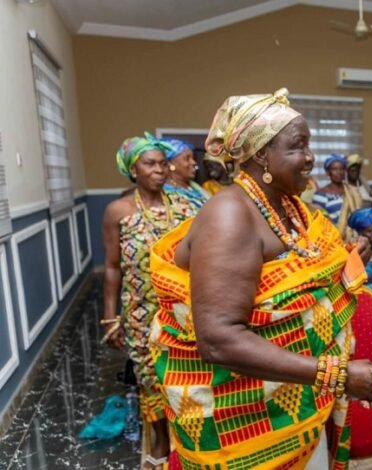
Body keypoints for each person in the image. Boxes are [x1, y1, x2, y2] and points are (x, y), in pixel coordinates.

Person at [148, 89, 372, 469]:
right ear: (262, 154)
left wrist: (347, 263)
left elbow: (303, 277)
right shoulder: (229, 216)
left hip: (294, 405)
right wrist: (337, 374)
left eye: (309, 145)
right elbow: (219, 340)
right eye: (299, 146)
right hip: (240, 422)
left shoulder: (289, 207)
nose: (311, 157)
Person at [101, 134, 196, 469]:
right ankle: (158, 440)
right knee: (150, 377)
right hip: (141, 311)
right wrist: (110, 317)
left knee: (183, 377)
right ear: (133, 170)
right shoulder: (119, 211)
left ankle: (187, 440)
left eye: (162, 163)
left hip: (182, 309)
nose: (160, 169)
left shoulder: (185, 206)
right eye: (150, 164)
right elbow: (113, 268)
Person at [311, 153, 363, 239]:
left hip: (355, 238)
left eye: (341, 169)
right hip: (333, 238)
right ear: (328, 172)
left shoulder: (352, 191)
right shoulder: (320, 195)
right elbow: (319, 221)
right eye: (334, 169)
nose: (339, 172)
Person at [161, 137, 210, 208]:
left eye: (193, 158)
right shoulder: (164, 192)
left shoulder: (195, 187)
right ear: (170, 164)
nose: (194, 162)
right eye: (187, 158)